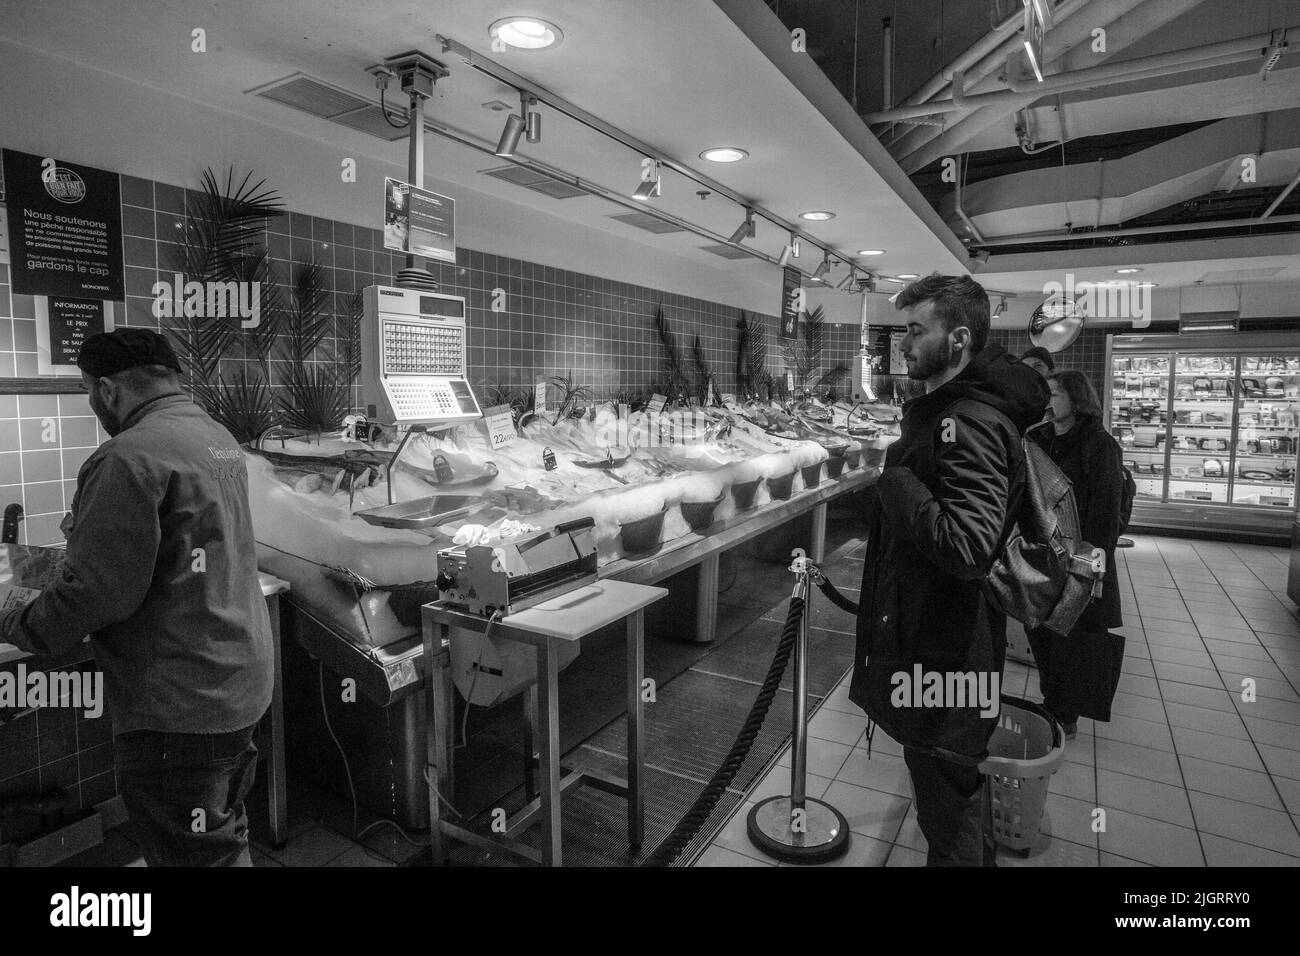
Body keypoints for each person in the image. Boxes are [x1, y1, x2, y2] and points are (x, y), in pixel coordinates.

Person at [0, 328, 273, 866]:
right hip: (237, 682)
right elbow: (177, 547)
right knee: (219, 835)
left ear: (105, 389)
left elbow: (97, 597)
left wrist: (14, 616)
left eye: (86, 392)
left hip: (181, 703)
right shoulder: (213, 436)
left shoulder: (127, 456)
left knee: (193, 853)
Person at [850, 275, 1049, 866]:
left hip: (948, 654)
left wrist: (896, 479)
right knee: (947, 789)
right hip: (934, 644)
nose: (903, 345)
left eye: (916, 330)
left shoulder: (971, 422)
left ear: (958, 339)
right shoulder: (951, 413)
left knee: (948, 803)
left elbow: (967, 547)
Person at [1024, 371, 1125, 738]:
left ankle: (1063, 715)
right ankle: (1054, 703)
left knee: (1070, 640)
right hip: (1040, 557)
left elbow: (1104, 517)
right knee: (1041, 633)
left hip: (1079, 562)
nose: (1048, 400)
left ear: (1077, 399)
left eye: (1055, 393)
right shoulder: (1039, 439)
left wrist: (1088, 566)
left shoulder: (1100, 447)